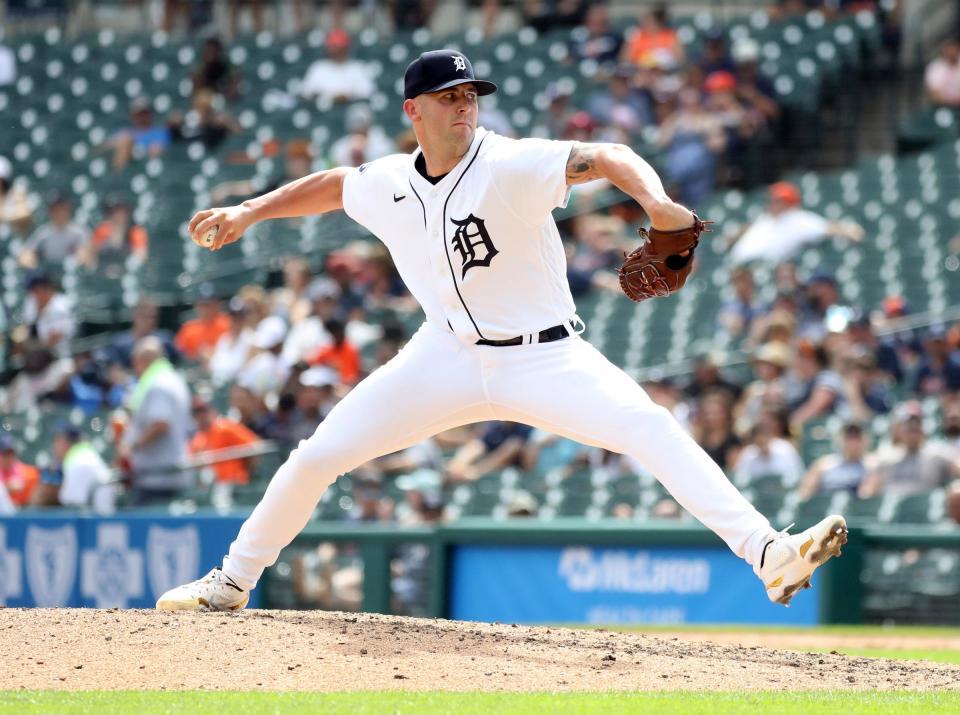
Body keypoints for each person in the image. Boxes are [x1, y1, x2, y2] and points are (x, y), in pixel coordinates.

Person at [158, 48, 847, 612]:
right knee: (315, 456)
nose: (464, 104)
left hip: (544, 357)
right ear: (414, 109)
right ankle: (231, 583)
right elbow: (338, 183)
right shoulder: (390, 180)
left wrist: (658, 202)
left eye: (471, 94)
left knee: (651, 427)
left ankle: (769, 555)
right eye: (450, 95)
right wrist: (250, 208)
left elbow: (606, 154)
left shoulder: (511, 162)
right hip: (443, 356)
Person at [118, 337, 192, 506]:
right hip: (165, 471)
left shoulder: (159, 384)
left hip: (158, 476)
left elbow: (161, 424)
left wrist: (131, 446)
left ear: (141, 361)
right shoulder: (172, 378)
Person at [726, 182, 865, 266]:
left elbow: (826, 228)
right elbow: (749, 227)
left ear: (787, 202)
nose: (770, 203)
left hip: (763, 268)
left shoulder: (797, 219)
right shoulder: (766, 218)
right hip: (741, 267)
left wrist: (849, 230)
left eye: (775, 200)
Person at [31, 425, 115, 512]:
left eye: (57, 441)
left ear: (66, 442)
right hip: (102, 513)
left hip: (96, 517)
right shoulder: (85, 455)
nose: (54, 446)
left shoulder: (78, 461)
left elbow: (72, 505)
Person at [300, 28, 375, 104]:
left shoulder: (357, 67)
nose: (333, 49)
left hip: (350, 108)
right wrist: (323, 95)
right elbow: (306, 93)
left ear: (345, 47)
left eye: (337, 46)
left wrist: (348, 96)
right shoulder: (318, 67)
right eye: (331, 46)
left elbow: (368, 92)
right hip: (322, 110)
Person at [798, 422, 871, 500]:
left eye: (856, 438)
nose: (852, 443)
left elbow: (866, 496)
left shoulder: (872, 465)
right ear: (839, 439)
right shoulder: (823, 465)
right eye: (848, 437)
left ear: (865, 440)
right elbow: (805, 493)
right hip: (825, 508)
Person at [19, 190, 90, 268]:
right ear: (50, 211)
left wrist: (81, 257)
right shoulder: (43, 233)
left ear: (68, 209)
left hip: (71, 270)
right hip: (48, 274)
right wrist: (30, 260)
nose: (59, 213)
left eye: (62, 209)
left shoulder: (79, 232)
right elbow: (25, 255)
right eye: (55, 210)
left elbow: (86, 256)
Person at [0, 434, 40, 508]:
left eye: (11, 453)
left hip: (21, 512)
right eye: (5, 454)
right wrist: (7, 487)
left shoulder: (22, 470)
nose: (8, 457)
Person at [925, 38, 960, 108]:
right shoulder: (935, 67)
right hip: (942, 107)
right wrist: (952, 102)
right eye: (949, 49)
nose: (952, 52)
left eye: (954, 49)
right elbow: (934, 92)